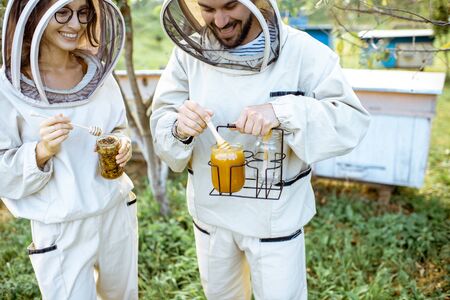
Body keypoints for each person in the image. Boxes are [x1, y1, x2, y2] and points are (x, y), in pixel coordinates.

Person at [151, 0, 371, 298]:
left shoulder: (304, 52)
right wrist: (179, 127)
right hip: (211, 215)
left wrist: (283, 112)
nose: (219, 21)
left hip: (274, 221)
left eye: (230, 6)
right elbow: (163, 118)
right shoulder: (189, 53)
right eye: (208, 9)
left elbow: (349, 120)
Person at [0, 0, 138, 298]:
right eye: (62, 12)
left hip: (115, 209)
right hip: (60, 225)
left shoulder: (100, 74)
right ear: (35, 15)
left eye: (83, 12)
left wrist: (123, 143)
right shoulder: (6, 87)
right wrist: (41, 150)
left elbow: (118, 127)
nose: (75, 24)